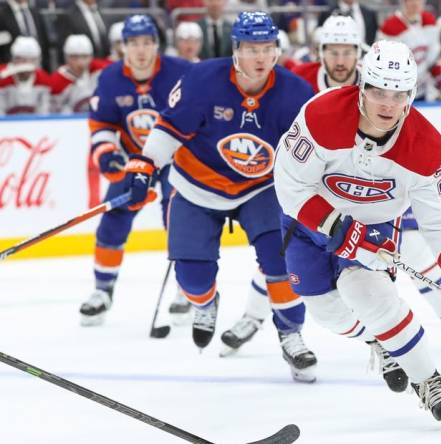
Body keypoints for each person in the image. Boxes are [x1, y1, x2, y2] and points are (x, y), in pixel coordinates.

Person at [273, 40, 441, 425]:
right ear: (362, 85)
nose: (387, 104)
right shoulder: (322, 113)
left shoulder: (425, 147)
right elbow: (288, 182)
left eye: (398, 94)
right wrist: (336, 226)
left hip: (374, 225)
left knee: (368, 293)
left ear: (411, 94)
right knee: (325, 310)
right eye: (378, 91)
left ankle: (428, 380)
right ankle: (379, 340)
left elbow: (440, 221)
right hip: (306, 221)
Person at [123, 12, 318, 383]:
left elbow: (311, 153)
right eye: (251, 49)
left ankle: (291, 333)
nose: (261, 57)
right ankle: (205, 302)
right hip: (198, 185)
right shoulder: (202, 80)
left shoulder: (294, 93)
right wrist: (145, 165)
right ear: (236, 50)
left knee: (281, 263)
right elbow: (168, 130)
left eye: (267, 48)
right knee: (193, 280)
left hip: (261, 188)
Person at [79, 15, 192, 326]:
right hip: (135, 159)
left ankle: (187, 288)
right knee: (113, 217)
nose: (141, 50)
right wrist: (107, 154)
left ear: (156, 44)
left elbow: (202, 115)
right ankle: (102, 290)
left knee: (178, 217)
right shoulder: (111, 78)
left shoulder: (182, 73)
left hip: (177, 160)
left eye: (146, 42)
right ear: (123, 47)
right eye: (133, 44)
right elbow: (102, 124)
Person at [378, 0, 440, 100]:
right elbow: (382, 59)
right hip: (399, 89)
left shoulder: (429, 20)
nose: (415, 3)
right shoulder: (390, 26)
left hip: (425, 87)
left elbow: (434, 54)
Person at [292, 15, 361, 93]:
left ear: (357, 53)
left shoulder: (372, 82)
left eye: (347, 53)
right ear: (322, 52)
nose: (340, 62)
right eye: (333, 53)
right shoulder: (300, 77)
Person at [50, 34, 111, 114]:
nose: (80, 62)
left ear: (91, 56)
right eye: (75, 57)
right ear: (66, 57)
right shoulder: (56, 81)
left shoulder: (102, 69)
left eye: (85, 57)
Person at [0, 36, 50, 115]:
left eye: (32, 60)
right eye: (22, 59)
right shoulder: (3, 78)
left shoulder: (43, 79)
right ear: (13, 59)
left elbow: (44, 112)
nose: (27, 63)